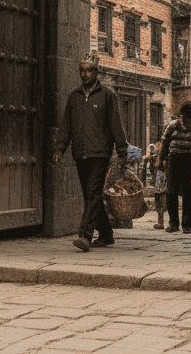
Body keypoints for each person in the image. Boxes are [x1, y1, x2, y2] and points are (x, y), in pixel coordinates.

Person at [52, 52, 129, 252]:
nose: (84, 74)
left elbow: (116, 125)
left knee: (93, 193)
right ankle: (105, 234)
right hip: (80, 153)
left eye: (88, 71)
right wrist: (60, 148)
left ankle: (85, 235)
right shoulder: (74, 97)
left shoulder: (107, 95)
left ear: (96, 72)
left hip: (100, 154)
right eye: (82, 71)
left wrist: (122, 152)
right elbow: (66, 125)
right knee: (90, 195)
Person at [156, 100, 191, 234]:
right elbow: (164, 142)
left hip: (190, 162)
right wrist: (160, 160)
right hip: (173, 161)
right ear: (181, 114)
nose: (187, 118)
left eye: (190, 115)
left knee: (190, 193)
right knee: (171, 192)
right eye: (185, 115)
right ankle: (173, 223)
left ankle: (188, 225)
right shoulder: (173, 125)